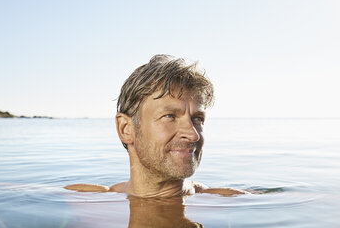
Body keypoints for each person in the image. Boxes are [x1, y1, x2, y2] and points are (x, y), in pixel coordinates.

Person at [65, 54, 248, 197]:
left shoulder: (231, 203)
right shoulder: (81, 199)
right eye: (170, 116)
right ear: (126, 129)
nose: (193, 135)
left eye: (197, 119)